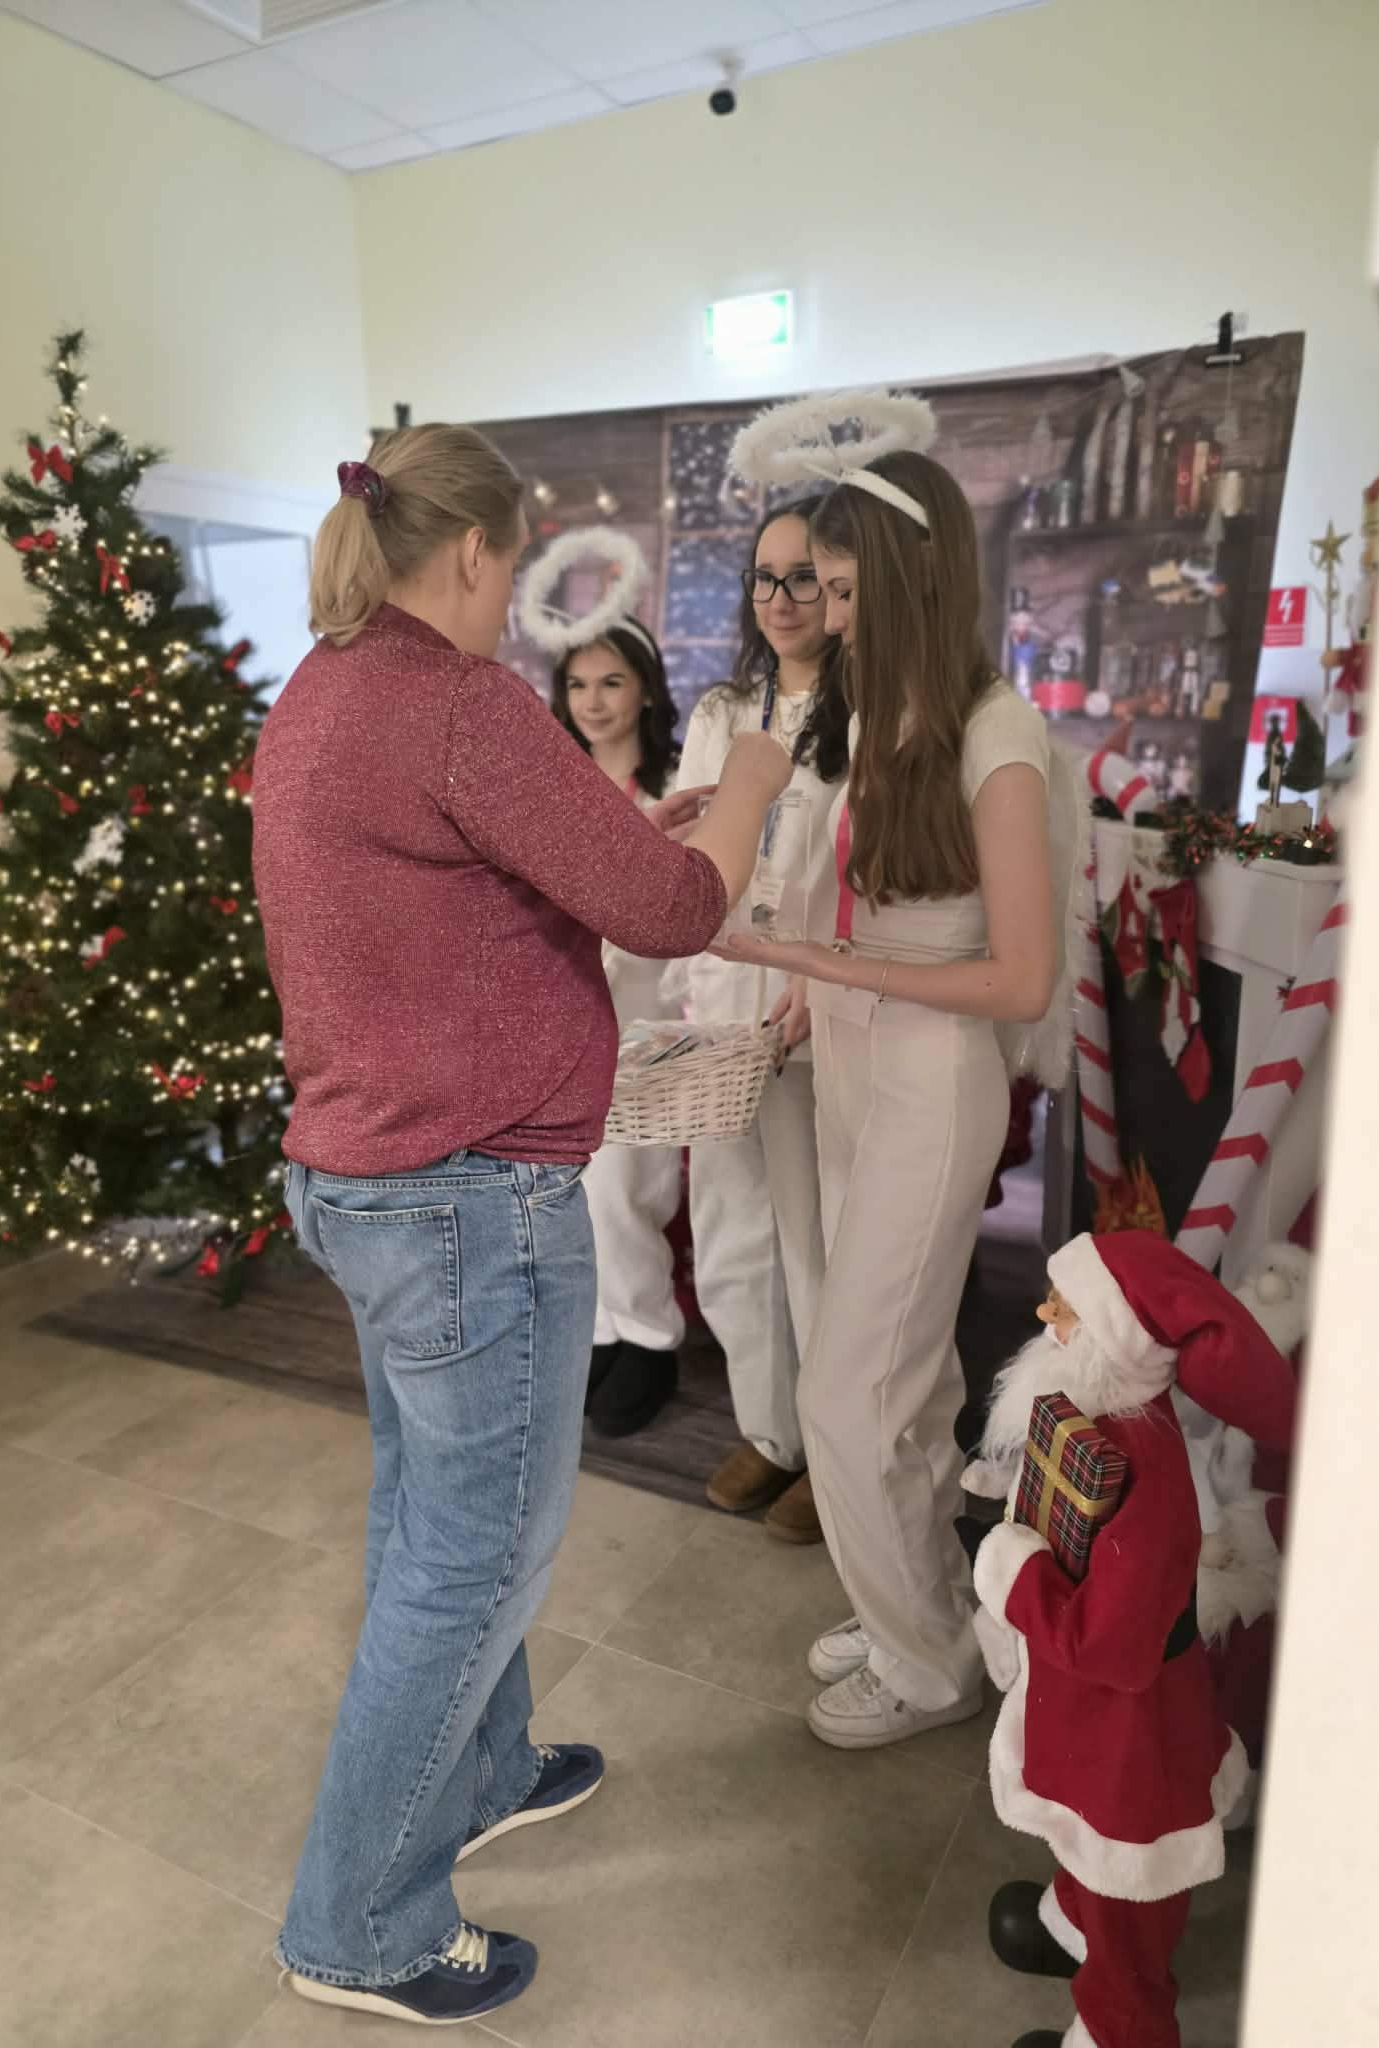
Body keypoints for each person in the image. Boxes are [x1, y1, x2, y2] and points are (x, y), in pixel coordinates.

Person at [251, 425, 789, 2030]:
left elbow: (467, 890)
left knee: (430, 1514)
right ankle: (359, 1925)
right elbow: (679, 909)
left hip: (372, 1176)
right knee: (476, 1558)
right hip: (465, 1197)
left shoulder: (327, 686)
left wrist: (635, 828)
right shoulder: (458, 701)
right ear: (478, 551)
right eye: (515, 565)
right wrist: (751, 790)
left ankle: (485, 1772)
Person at [718, 406, 1072, 1748]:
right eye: (820, 588)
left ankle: (924, 1668)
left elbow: (1019, 979)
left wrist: (821, 961)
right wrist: (811, 984)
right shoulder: (885, 717)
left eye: (849, 592)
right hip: (860, 1067)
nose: (830, 617)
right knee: (907, 1387)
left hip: (933, 1083)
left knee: (847, 1387)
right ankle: (914, 1609)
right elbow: (864, 906)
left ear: (916, 582)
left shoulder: (996, 731)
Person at [965, 1231, 1296, 2048]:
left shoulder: (1136, 1467)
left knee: (1129, 1915)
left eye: (1064, 1308)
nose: (1043, 1314)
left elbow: (1115, 1646)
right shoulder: (1098, 1424)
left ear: (1111, 1337)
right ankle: (1073, 1924)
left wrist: (1015, 1576)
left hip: (1130, 1738)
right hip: (1090, 1716)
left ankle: (1121, 2028)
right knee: (1085, 1846)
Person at [676, 497, 849, 1544]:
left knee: (815, 1235)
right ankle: (770, 1429)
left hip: (815, 1006)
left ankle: (835, 1453)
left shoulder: (866, 711)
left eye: (804, 576)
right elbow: (694, 851)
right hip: (724, 997)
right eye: (764, 576)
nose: (781, 598)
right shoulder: (722, 709)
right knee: (731, 1226)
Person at [549, 612, 688, 1438]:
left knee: (627, 1187)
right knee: (573, 1188)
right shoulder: (551, 789)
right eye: (577, 684)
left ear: (645, 690)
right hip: (561, 1013)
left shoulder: (675, 791)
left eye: (611, 682)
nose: (593, 702)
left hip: (646, 1012)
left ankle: (651, 1337)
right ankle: (602, 1330)